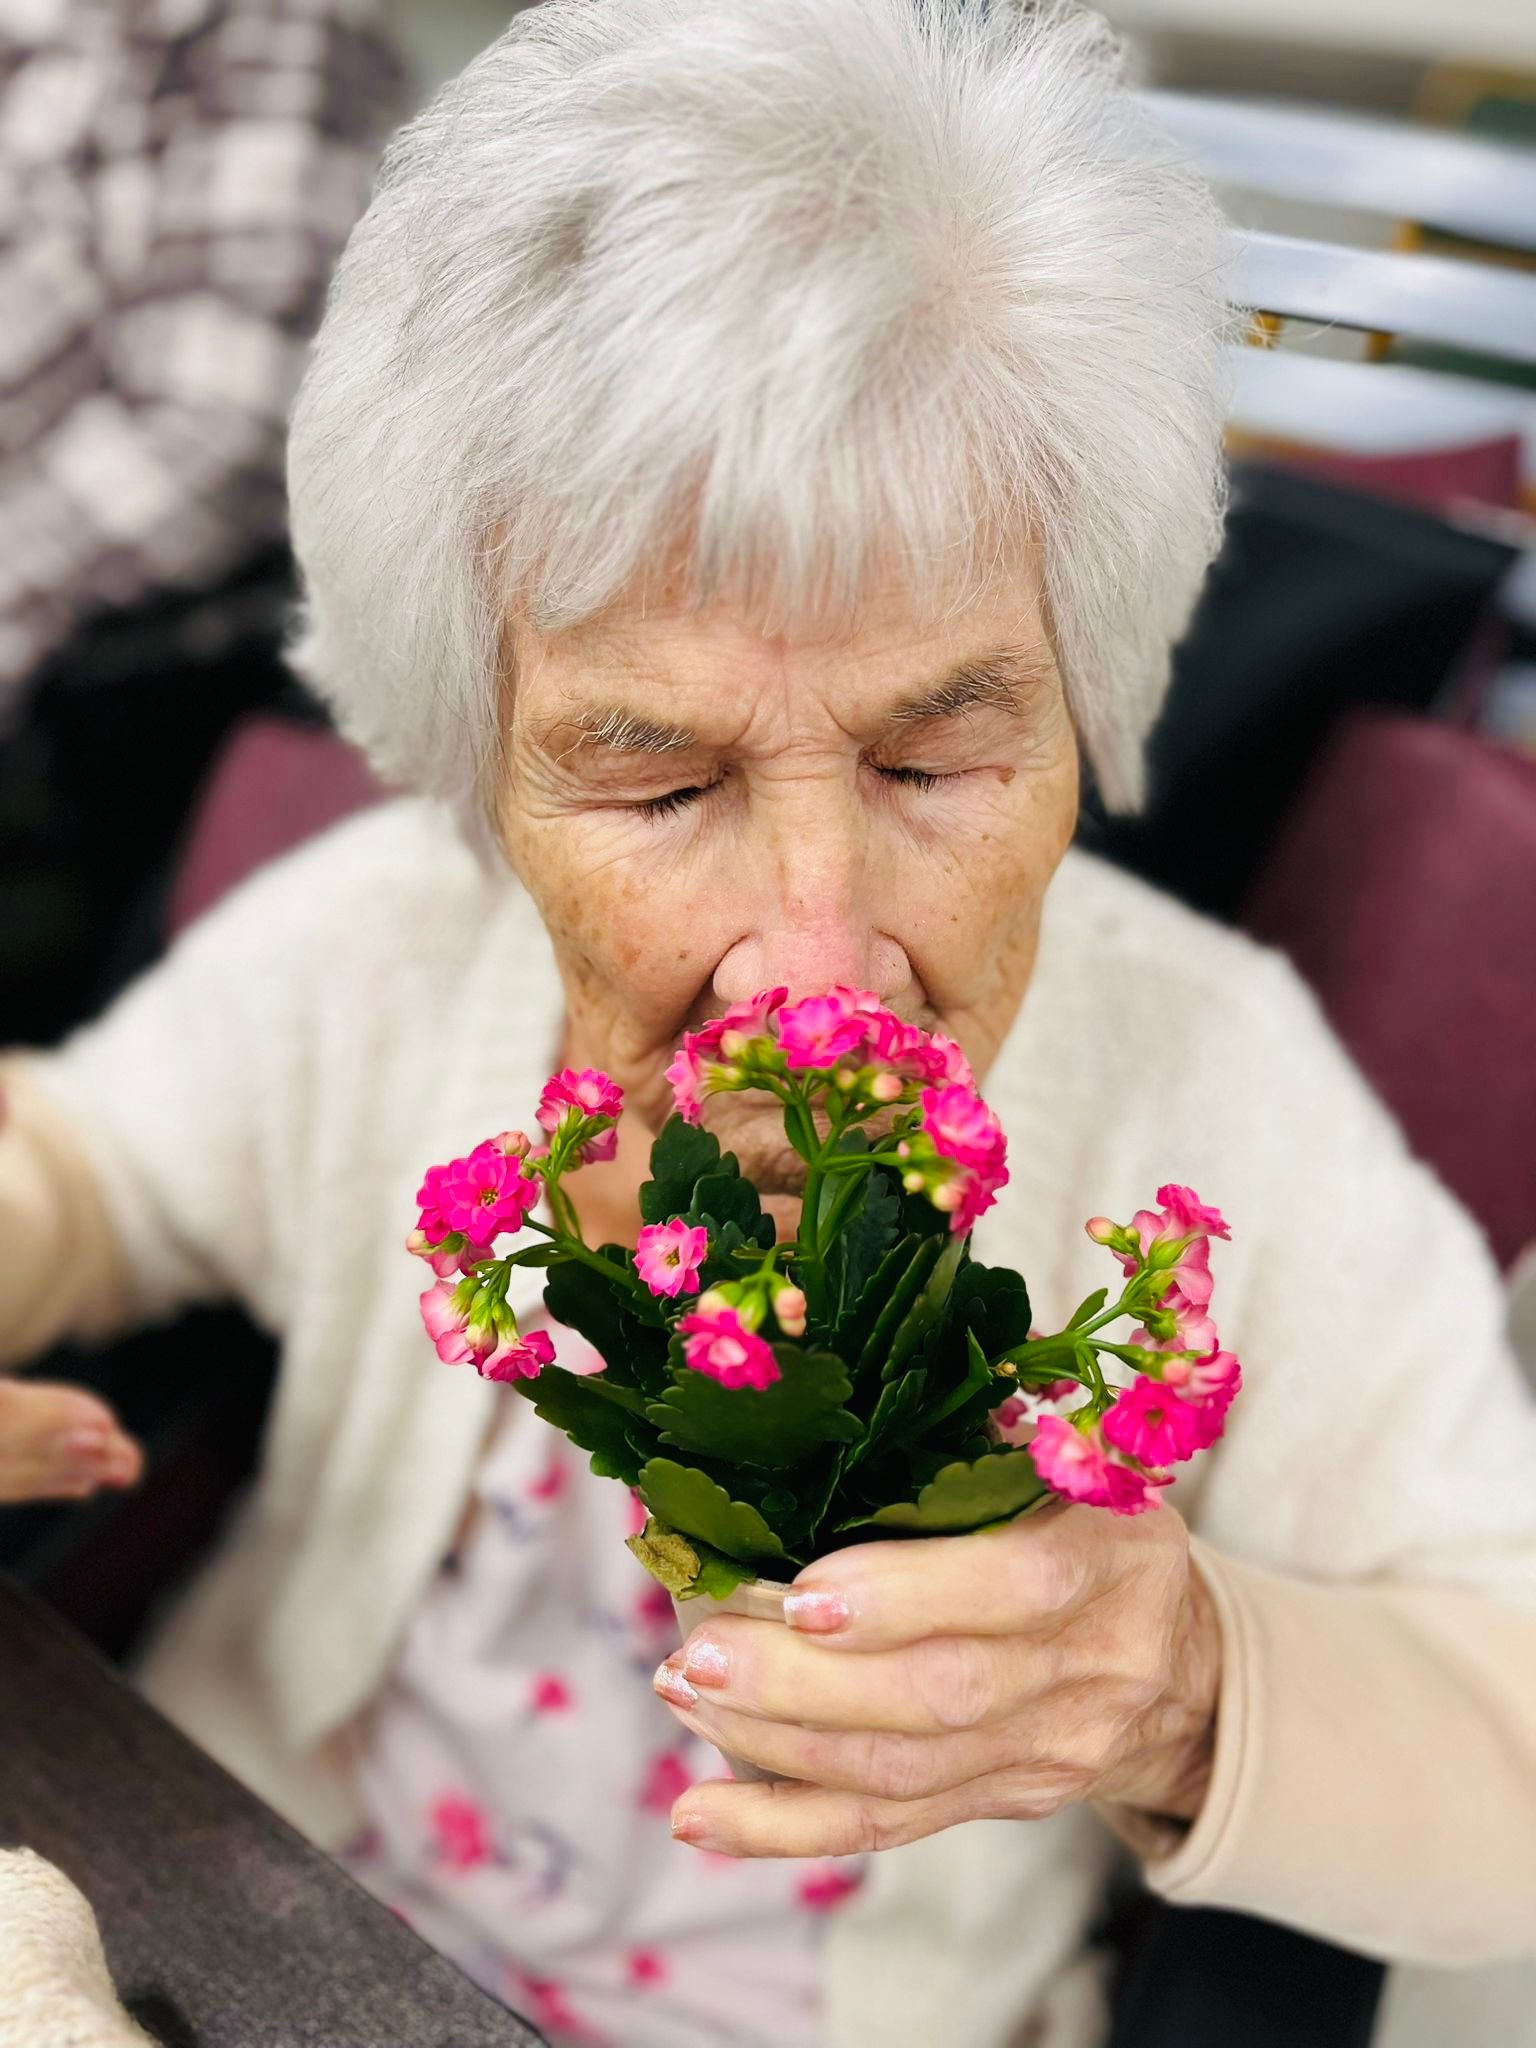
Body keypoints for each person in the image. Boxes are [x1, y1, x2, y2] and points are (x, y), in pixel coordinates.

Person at [2, 5, 1534, 2045]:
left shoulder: (1224, 1085)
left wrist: (1185, 1688)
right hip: (232, 1926)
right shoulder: (386, 949)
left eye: (936, 766)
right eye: (657, 789)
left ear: (1085, 703)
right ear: (476, 765)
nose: (814, 966)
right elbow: (79, 1163)